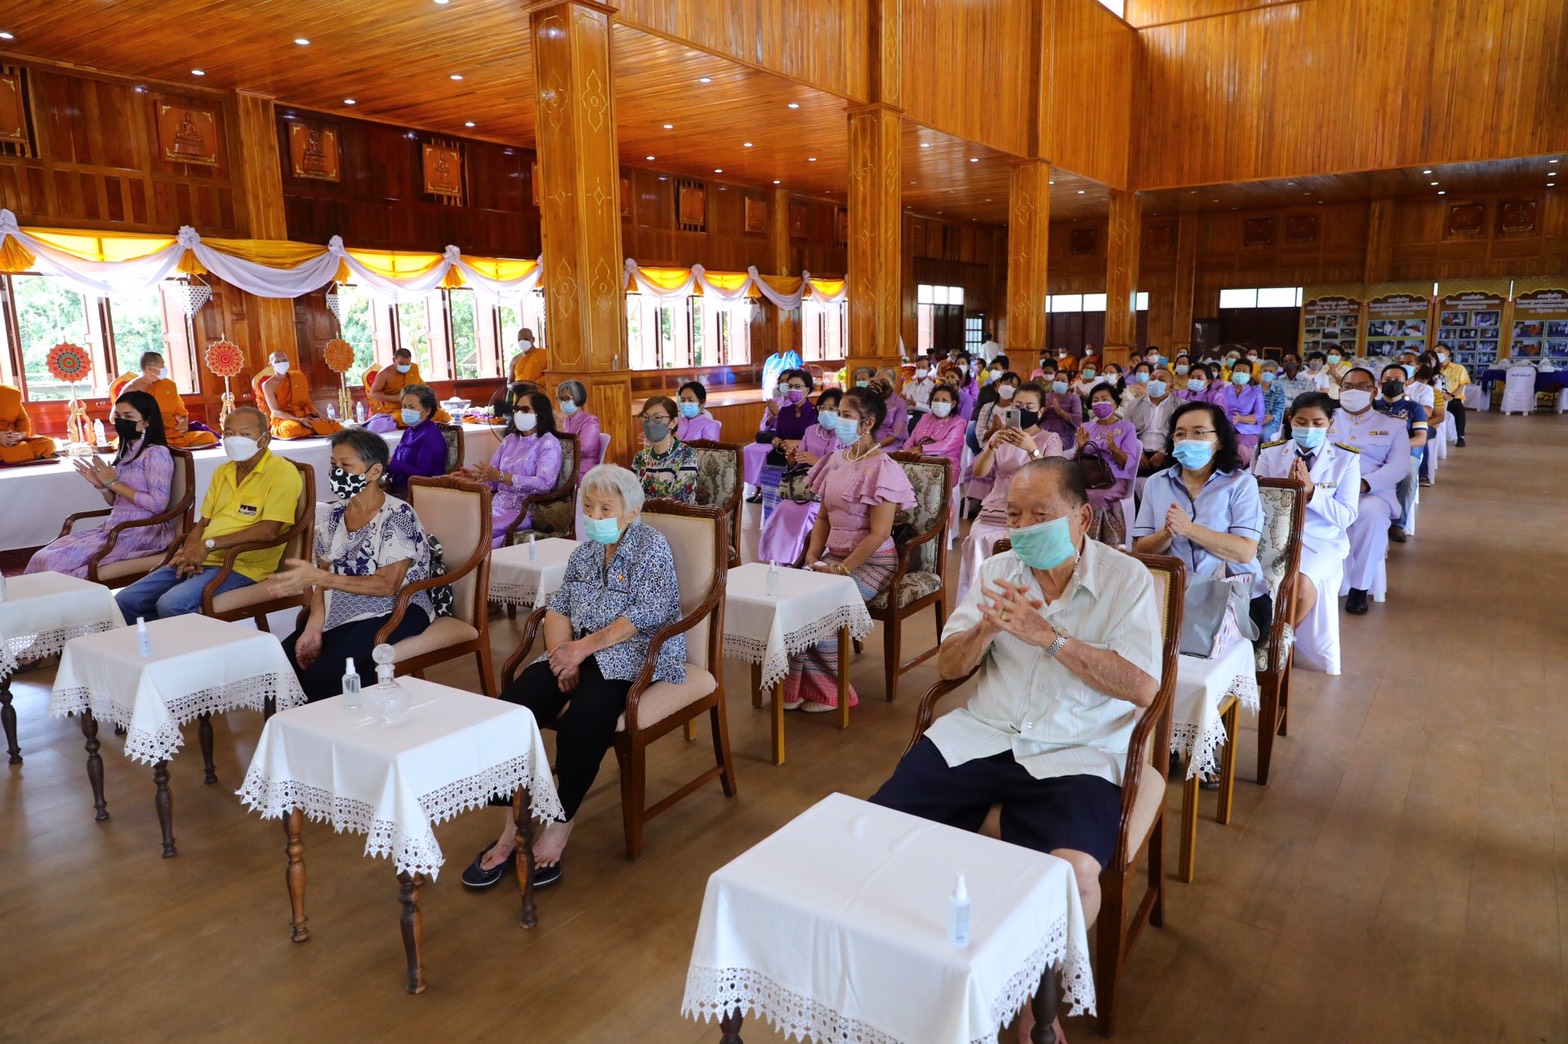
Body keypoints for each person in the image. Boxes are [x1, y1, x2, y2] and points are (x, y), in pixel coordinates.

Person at [870, 457, 1161, 1044]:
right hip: (983, 733)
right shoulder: (1000, 569)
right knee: (879, 831)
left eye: (1041, 515)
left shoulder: (1127, 580)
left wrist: (1047, 636)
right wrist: (985, 630)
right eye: (1015, 513)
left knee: (1075, 874)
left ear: (1082, 517)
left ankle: (1039, 1004)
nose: (1024, 527)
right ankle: (919, 969)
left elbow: (1142, 687)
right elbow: (948, 666)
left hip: (1075, 749)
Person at [461, 465, 684, 891]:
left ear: (632, 512)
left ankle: (561, 821)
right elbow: (559, 606)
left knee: (584, 723)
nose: (595, 515)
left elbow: (648, 613)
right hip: (578, 649)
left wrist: (582, 650)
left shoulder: (651, 547)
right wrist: (564, 658)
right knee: (511, 710)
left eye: (606, 507)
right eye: (588, 506)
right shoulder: (583, 552)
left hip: (632, 655)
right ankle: (513, 823)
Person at [273, 429, 436, 701]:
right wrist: (314, 625)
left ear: (374, 472)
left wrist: (322, 579)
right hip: (343, 602)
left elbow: (387, 585)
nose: (337, 472)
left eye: (346, 466)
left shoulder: (398, 515)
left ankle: (343, 736)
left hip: (399, 607)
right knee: (286, 662)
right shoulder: (334, 513)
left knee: (325, 673)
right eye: (334, 465)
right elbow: (321, 575)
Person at [784, 388, 915, 712]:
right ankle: (797, 685)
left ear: (867, 423)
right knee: (792, 600)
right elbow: (824, 517)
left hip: (872, 562)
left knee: (825, 607)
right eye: (836, 412)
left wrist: (842, 570)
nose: (836, 420)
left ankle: (831, 690)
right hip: (832, 557)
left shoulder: (883, 469)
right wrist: (814, 557)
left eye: (845, 415)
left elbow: (879, 533)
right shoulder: (836, 460)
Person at [115, 407, 302, 622]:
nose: (235, 440)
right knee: (126, 601)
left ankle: (196, 650)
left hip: (242, 563)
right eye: (229, 434)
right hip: (204, 556)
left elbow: (269, 531)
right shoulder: (223, 471)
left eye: (245, 434)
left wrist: (208, 545)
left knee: (172, 605)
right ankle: (163, 648)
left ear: (264, 439)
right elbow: (203, 523)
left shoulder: (282, 472)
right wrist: (191, 550)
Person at [1133, 401, 1272, 638]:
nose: (1188, 439)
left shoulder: (1240, 483)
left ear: (1219, 440)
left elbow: (1244, 552)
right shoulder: (1156, 483)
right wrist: (1166, 534)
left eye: (1199, 432)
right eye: (1180, 433)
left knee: (1198, 653)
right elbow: (1141, 550)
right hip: (1172, 594)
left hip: (1234, 595)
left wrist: (1188, 529)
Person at [1252, 393, 1360, 672]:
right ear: (1290, 419)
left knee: (1299, 583)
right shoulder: (1271, 451)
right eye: (1301, 421)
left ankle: (1277, 639)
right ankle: (1248, 636)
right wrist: (1284, 490)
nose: (1308, 428)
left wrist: (1311, 492)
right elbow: (1255, 498)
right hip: (1274, 533)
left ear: (1330, 423)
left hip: (1320, 541)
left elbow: (1347, 516)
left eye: (1317, 422)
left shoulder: (1345, 459)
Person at [26, 390, 174, 576]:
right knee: (42, 557)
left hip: (143, 531)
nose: (121, 421)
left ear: (147, 421)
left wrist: (112, 483)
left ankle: (73, 603)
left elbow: (158, 505)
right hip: (115, 527)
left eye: (129, 416)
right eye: (118, 416)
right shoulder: (126, 450)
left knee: (56, 563)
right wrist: (102, 486)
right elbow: (115, 502)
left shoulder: (156, 453)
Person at [958, 382, 1064, 602]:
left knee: (1013, 543)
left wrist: (1031, 448)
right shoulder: (1003, 436)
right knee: (978, 536)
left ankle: (1014, 601)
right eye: (1018, 405)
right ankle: (979, 601)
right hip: (997, 504)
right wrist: (991, 446)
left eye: (1029, 407)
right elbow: (979, 472)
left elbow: (1053, 479)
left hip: (1034, 506)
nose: (1023, 411)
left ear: (1041, 411)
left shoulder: (1051, 440)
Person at [1328, 368, 1410, 616]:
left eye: (1362, 387)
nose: (1354, 391)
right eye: (1347, 386)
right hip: (1328, 491)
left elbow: (1399, 466)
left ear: (1374, 392)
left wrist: (1363, 484)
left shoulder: (1393, 425)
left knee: (1370, 513)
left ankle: (1359, 588)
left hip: (1372, 492)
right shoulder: (1326, 419)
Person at [460, 388, 562, 548]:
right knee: (461, 523)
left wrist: (503, 477)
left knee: (477, 531)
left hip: (524, 509)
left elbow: (544, 484)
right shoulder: (510, 440)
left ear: (540, 413)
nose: (519, 414)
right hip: (496, 506)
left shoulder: (547, 443)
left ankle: (480, 570)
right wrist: (475, 477)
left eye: (525, 409)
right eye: (516, 409)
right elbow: (492, 479)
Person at [757, 389, 840, 566]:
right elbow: (796, 465)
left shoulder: (845, 435)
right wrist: (792, 460)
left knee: (807, 512)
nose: (826, 412)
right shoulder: (810, 431)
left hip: (828, 489)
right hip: (803, 486)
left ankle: (801, 558)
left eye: (832, 409)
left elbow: (844, 467)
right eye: (823, 408)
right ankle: (781, 557)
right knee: (784, 507)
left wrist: (815, 461)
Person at [106, 351, 218, 449]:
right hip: (147, 434)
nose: (165, 368)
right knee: (147, 443)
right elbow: (114, 418)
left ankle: (173, 447)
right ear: (150, 368)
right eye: (162, 365)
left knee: (208, 436)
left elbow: (181, 412)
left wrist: (184, 421)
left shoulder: (168, 386)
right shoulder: (132, 389)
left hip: (172, 434)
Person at [1074, 383, 1140, 546]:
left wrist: (1114, 449)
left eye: (1104, 399)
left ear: (1115, 403)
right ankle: (1072, 541)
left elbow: (1129, 462)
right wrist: (1081, 447)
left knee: (1096, 497)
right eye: (1095, 400)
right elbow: (1075, 460)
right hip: (1087, 478)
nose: (1099, 403)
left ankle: (1093, 543)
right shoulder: (1086, 427)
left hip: (1114, 479)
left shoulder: (1126, 427)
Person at [1373, 364, 1428, 543]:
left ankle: (1398, 524)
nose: (1392, 383)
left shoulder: (1414, 407)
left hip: (1405, 454)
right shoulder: (1372, 406)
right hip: (1374, 453)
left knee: (1410, 473)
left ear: (1405, 384)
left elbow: (1420, 438)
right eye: (1388, 380)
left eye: (1397, 380)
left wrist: (1397, 447)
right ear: (1380, 384)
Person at [756, 368, 818, 520]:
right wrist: (776, 442)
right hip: (785, 460)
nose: (792, 390)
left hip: (806, 461)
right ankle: (773, 520)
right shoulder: (784, 412)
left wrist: (797, 442)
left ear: (807, 390)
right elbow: (779, 437)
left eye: (797, 386)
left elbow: (816, 441)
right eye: (790, 386)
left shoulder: (815, 413)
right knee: (769, 477)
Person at [363, 348, 450, 433]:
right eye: (401, 363)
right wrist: (396, 398)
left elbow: (421, 385)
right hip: (395, 409)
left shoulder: (414, 368)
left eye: (407, 363)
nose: (405, 366)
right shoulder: (385, 373)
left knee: (438, 414)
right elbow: (373, 394)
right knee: (398, 419)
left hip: (414, 407)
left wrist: (432, 397)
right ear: (394, 360)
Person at [630, 395, 699, 503]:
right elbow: (630, 495)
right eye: (646, 417)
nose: (650, 423)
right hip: (643, 516)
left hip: (678, 517)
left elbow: (680, 498)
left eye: (657, 418)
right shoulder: (640, 457)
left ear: (673, 422)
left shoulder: (687, 455)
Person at [258, 351, 342, 439]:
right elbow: (275, 411)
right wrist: (299, 420)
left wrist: (319, 415)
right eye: (277, 361)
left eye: (284, 360)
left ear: (288, 361)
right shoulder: (267, 385)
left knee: (335, 426)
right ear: (270, 364)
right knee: (291, 429)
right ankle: (277, 430)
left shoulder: (299, 377)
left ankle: (310, 428)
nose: (282, 363)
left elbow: (307, 402)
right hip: (285, 418)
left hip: (303, 415)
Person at [384, 384, 448, 494]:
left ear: (427, 410)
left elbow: (423, 474)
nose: (406, 411)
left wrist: (390, 461)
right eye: (404, 406)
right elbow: (396, 463)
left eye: (412, 407)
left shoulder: (431, 436)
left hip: (421, 493)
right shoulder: (409, 431)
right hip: (399, 487)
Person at [1123, 365, 1180, 474]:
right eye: (1152, 379)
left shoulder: (1180, 406)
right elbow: (1127, 433)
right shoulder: (1133, 405)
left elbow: (1181, 434)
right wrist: (1139, 453)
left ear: (1171, 387)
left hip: (1169, 453)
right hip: (1138, 453)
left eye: (1161, 380)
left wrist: (1164, 453)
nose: (1155, 382)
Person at [1216, 357, 1265, 464]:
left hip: (1247, 430)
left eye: (1244, 371)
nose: (1241, 373)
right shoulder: (1222, 391)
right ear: (1232, 373)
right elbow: (1217, 411)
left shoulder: (1255, 392)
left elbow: (1259, 415)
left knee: (1240, 444)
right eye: (1238, 370)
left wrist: (1241, 419)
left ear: (1250, 375)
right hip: (1226, 427)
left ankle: (1237, 469)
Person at [904, 384, 967, 467]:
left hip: (943, 465)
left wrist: (921, 449)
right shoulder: (925, 417)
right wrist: (906, 451)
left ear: (953, 404)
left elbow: (947, 445)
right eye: (936, 400)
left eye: (944, 400)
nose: (939, 403)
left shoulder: (959, 422)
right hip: (915, 460)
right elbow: (912, 439)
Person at [555, 379, 603, 477]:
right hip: (566, 469)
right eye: (560, 399)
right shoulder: (564, 421)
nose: (563, 403)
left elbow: (583, 449)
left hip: (583, 472)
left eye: (566, 398)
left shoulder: (590, 421)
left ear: (578, 398)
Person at [0, 382, 57, 463]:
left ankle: (17, 456)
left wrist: (21, 435)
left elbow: (23, 420)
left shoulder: (9, 393)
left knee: (48, 443)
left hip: (14, 440)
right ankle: (28, 456)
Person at [1434, 346, 1471, 447]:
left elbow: (1461, 385)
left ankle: (1460, 437)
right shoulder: (1433, 369)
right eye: (1435, 352)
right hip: (1436, 398)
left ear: (1447, 353)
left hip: (1453, 398)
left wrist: (1451, 396)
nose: (1437, 355)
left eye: (1439, 352)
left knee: (1459, 409)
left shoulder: (1459, 368)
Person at [1039, 369, 1082, 445]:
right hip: (1042, 431)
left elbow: (1078, 420)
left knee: (1053, 445)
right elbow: (1035, 418)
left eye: (1063, 381)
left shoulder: (1074, 398)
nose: (1059, 383)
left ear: (1068, 385)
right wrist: (1045, 409)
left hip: (1064, 434)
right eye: (1057, 380)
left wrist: (1060, 411)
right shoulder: (1045, 397)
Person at [871, 367, 909, 450]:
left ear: (894, 383)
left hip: (890, 445)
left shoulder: (899, 403)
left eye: (885, 382)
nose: (882, 385)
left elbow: (897, 433)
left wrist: (876, 446)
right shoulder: (872, 401)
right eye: (879, 382)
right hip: (870, 443)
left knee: (873, 456)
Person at [1258, 361, 1288, 442]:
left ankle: (1264, 454)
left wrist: (1272, 417)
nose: (1267, 373)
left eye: (1271, 371)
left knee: (1264, 434)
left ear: (1275, 374)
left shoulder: (1278, 390)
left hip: (1271, 422)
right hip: (1255, 420)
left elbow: (1280, 409)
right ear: (1261, 372)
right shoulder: (1255, 389)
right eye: (1265, 370)